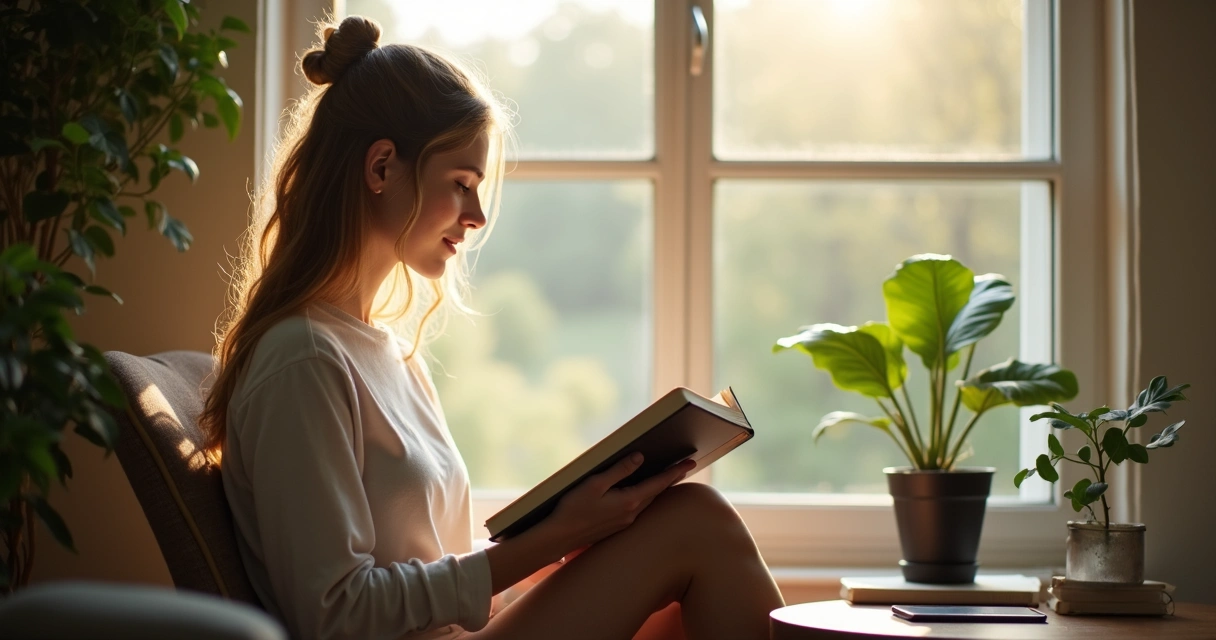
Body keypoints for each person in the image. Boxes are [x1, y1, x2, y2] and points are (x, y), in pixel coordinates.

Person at [199, 15, 784, 640]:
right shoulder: (304, 359)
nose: (476, 216)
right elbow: (334, 615)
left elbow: (440, 574)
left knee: (679, 593)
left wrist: (561, 552)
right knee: (697, 522)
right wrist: (552, 538)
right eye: (460, 184)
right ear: (380, 169)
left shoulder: (392, 355)